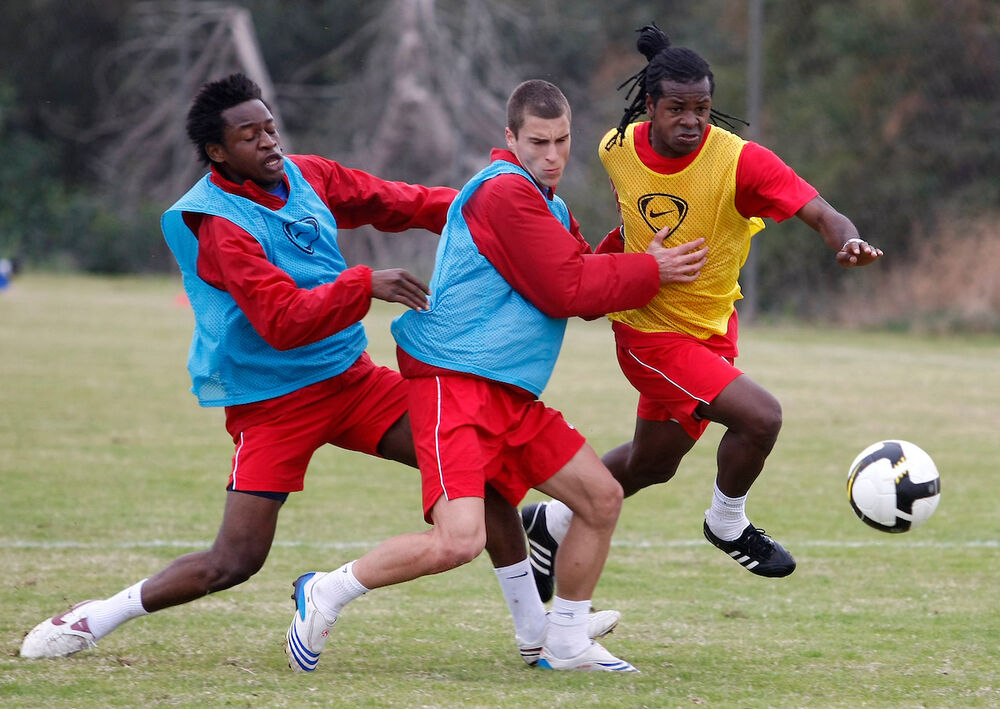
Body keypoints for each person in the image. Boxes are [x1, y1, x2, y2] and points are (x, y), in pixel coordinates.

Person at [18, 73, 617, 664]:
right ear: (218, 153)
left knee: (477, 467)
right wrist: (365, 285)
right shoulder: (219, 225)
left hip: (351, 381)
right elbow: (281, 320)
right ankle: (97, 616)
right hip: (274, 403)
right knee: (235, 560)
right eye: (250, 136)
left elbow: (396, 201)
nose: (270, 143)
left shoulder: (306, 175)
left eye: (270, 128)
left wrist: (493, 208)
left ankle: (534, 631)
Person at [284, 79, 705, 674]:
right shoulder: (504, 193)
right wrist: (650, 270)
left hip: (509, 394)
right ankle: (326, 591)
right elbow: (564, 290)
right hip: (452, 387)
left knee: (601, 498)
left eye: (562, 140)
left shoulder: (549, 204)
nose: (553, 155)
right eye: (538, 141)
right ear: (510, 139)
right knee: (458, 541)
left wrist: (639, 249)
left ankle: (562, 643)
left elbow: (581, 279)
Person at [522, 24, 883, 601]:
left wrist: (849, 240)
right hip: (649, 334)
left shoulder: (740, 163)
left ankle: (551, 522)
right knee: (760, 417)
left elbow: (821, 213)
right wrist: (614, 264)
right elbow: (631, 220)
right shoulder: (616, 149)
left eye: (704, 109)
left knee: (651, 465)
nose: (692, 121)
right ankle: (727, 521)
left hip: (711, 329)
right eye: (678, 109)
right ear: (649, 107)